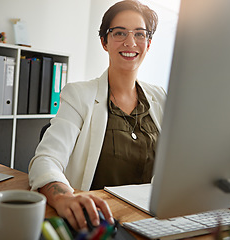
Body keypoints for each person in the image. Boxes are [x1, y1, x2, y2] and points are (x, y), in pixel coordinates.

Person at [28, 0, 166, 231]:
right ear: (105, 41)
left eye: (139, 34)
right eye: (120, 33)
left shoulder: (160, 97)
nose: (130, 42)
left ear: (148, 43)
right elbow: (46, 160)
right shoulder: (78, 95)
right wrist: (63, 198)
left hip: (151, 222)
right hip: (97, 223)